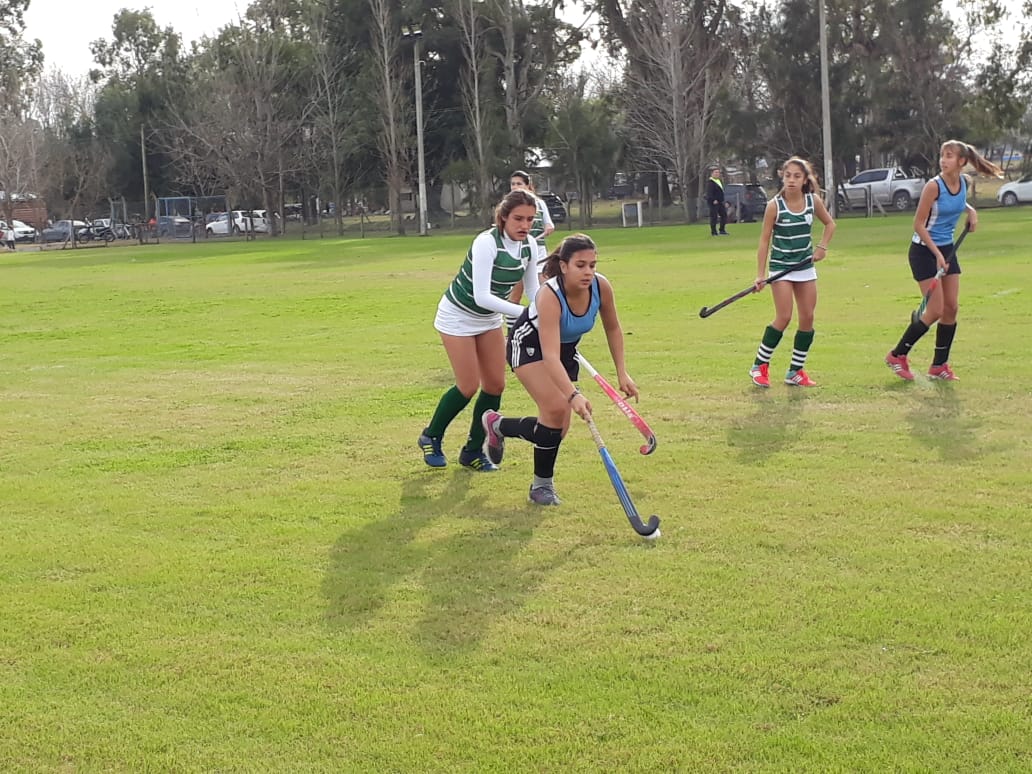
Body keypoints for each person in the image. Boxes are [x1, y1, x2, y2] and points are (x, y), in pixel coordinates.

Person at [480, 233, 639, 505]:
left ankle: (499, 425)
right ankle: (541, 487)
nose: (588, 272)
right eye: (580, 265)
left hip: (564, 350)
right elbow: (550, 355)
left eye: (592, 265)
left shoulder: (601, 287)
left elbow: (613, 328)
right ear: (564, 266)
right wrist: (573, 395)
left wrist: (622, 373)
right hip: (529, 345)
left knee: (556, 429)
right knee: (556, 408)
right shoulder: (550, 295)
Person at [417, 189, 542, 471]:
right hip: (458, 315)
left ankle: (472, 451)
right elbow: (482, 296)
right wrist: (527, 313)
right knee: (468, 385)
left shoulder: (530, 246)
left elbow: (533, 290)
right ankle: (431, 435)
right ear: (503, 217)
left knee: (495, 385)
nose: (524, 225)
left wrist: (545, 311)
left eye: (530, 220)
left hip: (488, 319)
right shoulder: (487, 242)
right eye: (518, 218)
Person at [885, 140, 1003, 381]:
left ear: (962, 161)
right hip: (924, 251)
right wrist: (937, 255)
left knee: (951, 308)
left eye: (949, 156)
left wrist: (971, 211)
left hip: (947, 248)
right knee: (935, 309)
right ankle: (897, 355)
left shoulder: (964, 182)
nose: (943, 160)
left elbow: (956, 201)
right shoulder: (933, 186)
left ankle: (939, 366)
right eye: (942, 155)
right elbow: (918, 224)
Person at [748, 156, 836, 388]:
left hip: (804, 266)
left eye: (797, 176)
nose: (791, 180)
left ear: (805, 179)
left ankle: (795, 371)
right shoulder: (774, 206)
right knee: (784, 317)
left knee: (807, 317)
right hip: (781, 268)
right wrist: (760, 275)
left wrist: (822, 247)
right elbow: (764, 241)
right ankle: (759, 366)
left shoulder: (812, 201)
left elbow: (830, 224)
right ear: (782, 177)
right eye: (788, 176)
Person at [507, 170, 555, 306]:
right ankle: (513, 319)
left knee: (544, 288)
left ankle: (546, 315)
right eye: (513, 184)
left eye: (519, 184)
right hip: (518, 251)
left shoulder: (539, 203)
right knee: (515, 295)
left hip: (538, 251)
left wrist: (547, 228)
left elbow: (549, 225)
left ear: (528, 185)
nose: (515, 187)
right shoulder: (508, 206)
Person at [706, 166, 729, 236]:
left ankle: (722, 230)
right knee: (714, 217)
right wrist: (713, 200)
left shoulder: (719, 181)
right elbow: (709, 193)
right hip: (714, 203)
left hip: (720, 202)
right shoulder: (710, 182)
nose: (717, 174)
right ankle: (714, 232)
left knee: (724, 215)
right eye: (715, 172)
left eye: (718, 172)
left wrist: (724, 201)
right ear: (712, 173)